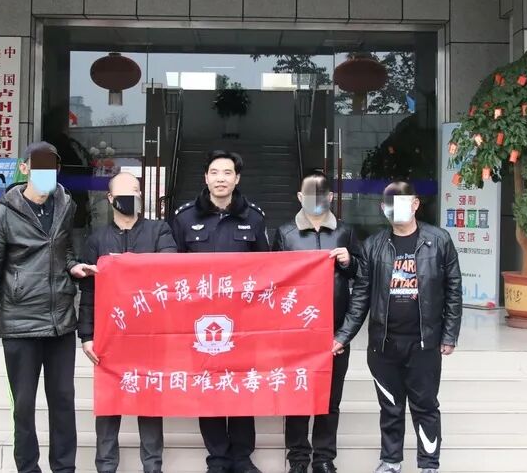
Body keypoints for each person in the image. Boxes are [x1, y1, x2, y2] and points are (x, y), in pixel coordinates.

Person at [0, 142, 98, 473]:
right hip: (21, 322)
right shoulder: (2, 214)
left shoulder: (66, 205)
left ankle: (64, 468)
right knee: (24, 405)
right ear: (25, 168)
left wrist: (73, 266)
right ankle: (28, 467)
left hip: (60, 321)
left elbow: (64, 249)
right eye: (38, 165)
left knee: (63, 400)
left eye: (51, 166)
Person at [335, 181, 463, 473]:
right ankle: (391, 461)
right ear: (383, 208)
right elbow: (361, 297)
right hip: (384, 345)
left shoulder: (439, 240)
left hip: (424, 343)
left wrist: (449, 334)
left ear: (415, 204)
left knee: (425, 406)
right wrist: (343, 336)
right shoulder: (373, 246)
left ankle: (429, 464)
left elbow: (453, 290)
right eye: (390, 204)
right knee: (390, 406)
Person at [170, 149, 269, 473]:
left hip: (243, 322)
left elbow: (267, 270)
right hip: (200, 323)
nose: (220, 179)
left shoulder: (254, 218)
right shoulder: (185, 218)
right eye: (214, 172)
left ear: (237, 178)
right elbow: (170, 270)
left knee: (241, 386)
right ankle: (218, 458)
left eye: (227, 173)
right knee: (208, 387)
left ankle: (241, 457)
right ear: (206, 178)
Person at [78, 172, 177, 473]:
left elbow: (170, 268)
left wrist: (124, 264)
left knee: (150, 403)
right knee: (109, 405)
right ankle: (106, 466)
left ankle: (153, 466)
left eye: (135, 191)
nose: (130, 197)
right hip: (110, 335)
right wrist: (86, 336)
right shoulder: (97, 239)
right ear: (110, 199)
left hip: (150, 333)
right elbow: (89, 292)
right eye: (123, 193)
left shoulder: (159, 231)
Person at [270, 169, 364, 473]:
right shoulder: (285, 233)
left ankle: (324, 458)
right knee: (297, 397)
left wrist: (350, 262)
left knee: (329, 400)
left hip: (334, 334)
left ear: (331, 197)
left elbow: (363, 277)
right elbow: (272, 283)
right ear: (300, 197)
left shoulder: (345, 232)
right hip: (296, 336)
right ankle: (298, 458)